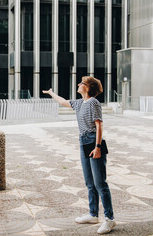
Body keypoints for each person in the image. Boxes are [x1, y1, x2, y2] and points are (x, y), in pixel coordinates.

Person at [42, 76, 116, 234]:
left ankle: (109, 219)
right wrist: (51, 93)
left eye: (82, 83)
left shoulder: (93, 103)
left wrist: (97, 147)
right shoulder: (79, 103)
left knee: (100, 183)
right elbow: (63, 101)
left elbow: (99, 125)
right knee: (89, 182)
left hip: (93, 141)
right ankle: (93, 214)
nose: (78, 84)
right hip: (83, 141)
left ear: (88, 88)